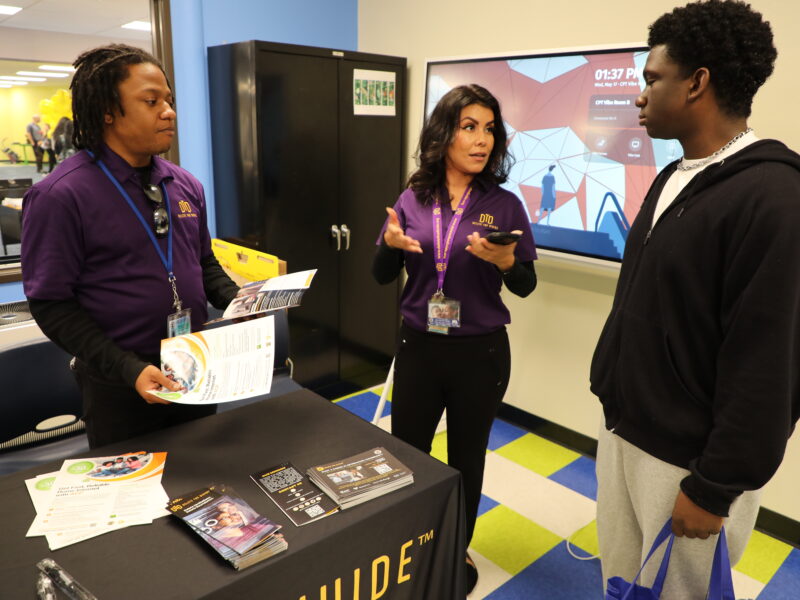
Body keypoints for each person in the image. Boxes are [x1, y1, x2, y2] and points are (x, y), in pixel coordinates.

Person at [589, 2, 800, 598]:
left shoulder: (775, 199)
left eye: (652, 79)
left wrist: (713, 488)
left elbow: (769, 365)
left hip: (687, 463)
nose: (640, 95)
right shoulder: (674, 176)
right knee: (623, 583)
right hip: (626, 429)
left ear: (698, 82)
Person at [21, 44, 239, 448]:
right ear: (107, 110)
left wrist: (239, 301)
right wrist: (128, 368)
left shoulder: (184, 184)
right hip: (120, 385)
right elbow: (51, 304)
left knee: (206, 487)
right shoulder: (60, 196)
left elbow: (203, 262)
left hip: (193, 367)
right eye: (151, 101)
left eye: (169, 101)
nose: (168, 111)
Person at [372, 83, 537, 594]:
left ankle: (452, 552)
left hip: (480, 353)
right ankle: (410, 545)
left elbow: (526, 284)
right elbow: (381, 274)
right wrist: (392, 247)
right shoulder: (412, 198)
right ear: (444, 134)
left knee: (467, 459)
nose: (481, 139)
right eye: (469, 127)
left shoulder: (505, 205)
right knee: (409, 454)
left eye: (489, 129)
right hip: (420, 348)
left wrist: (507, 260)